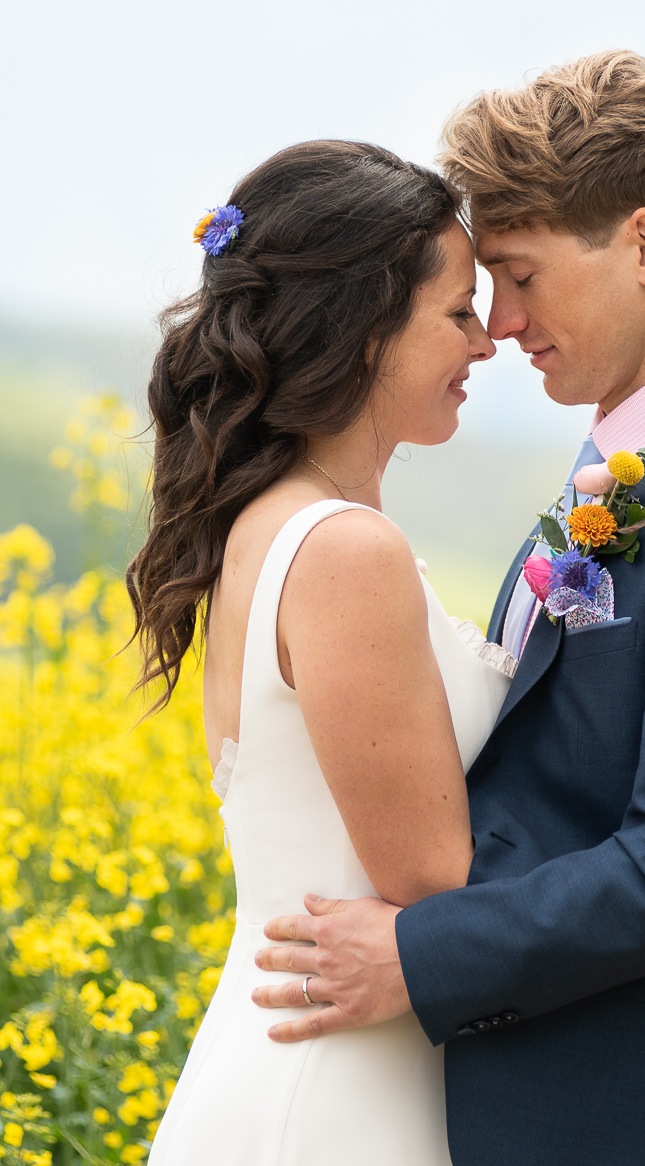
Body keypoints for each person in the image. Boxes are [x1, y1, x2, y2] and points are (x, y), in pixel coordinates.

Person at [246, 52, 645, 1166]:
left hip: (641, 1124)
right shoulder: (624, 473)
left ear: (644, 246)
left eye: (520, 275)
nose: (502, 321)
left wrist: (420, 953)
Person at [132, 139, 511, 1165]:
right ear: (364, 328)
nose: (487, 342)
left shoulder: (278, 522)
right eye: (457, 311)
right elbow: (432, 877)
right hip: (333, 1100)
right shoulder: (344, 549)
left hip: (306, 1064)